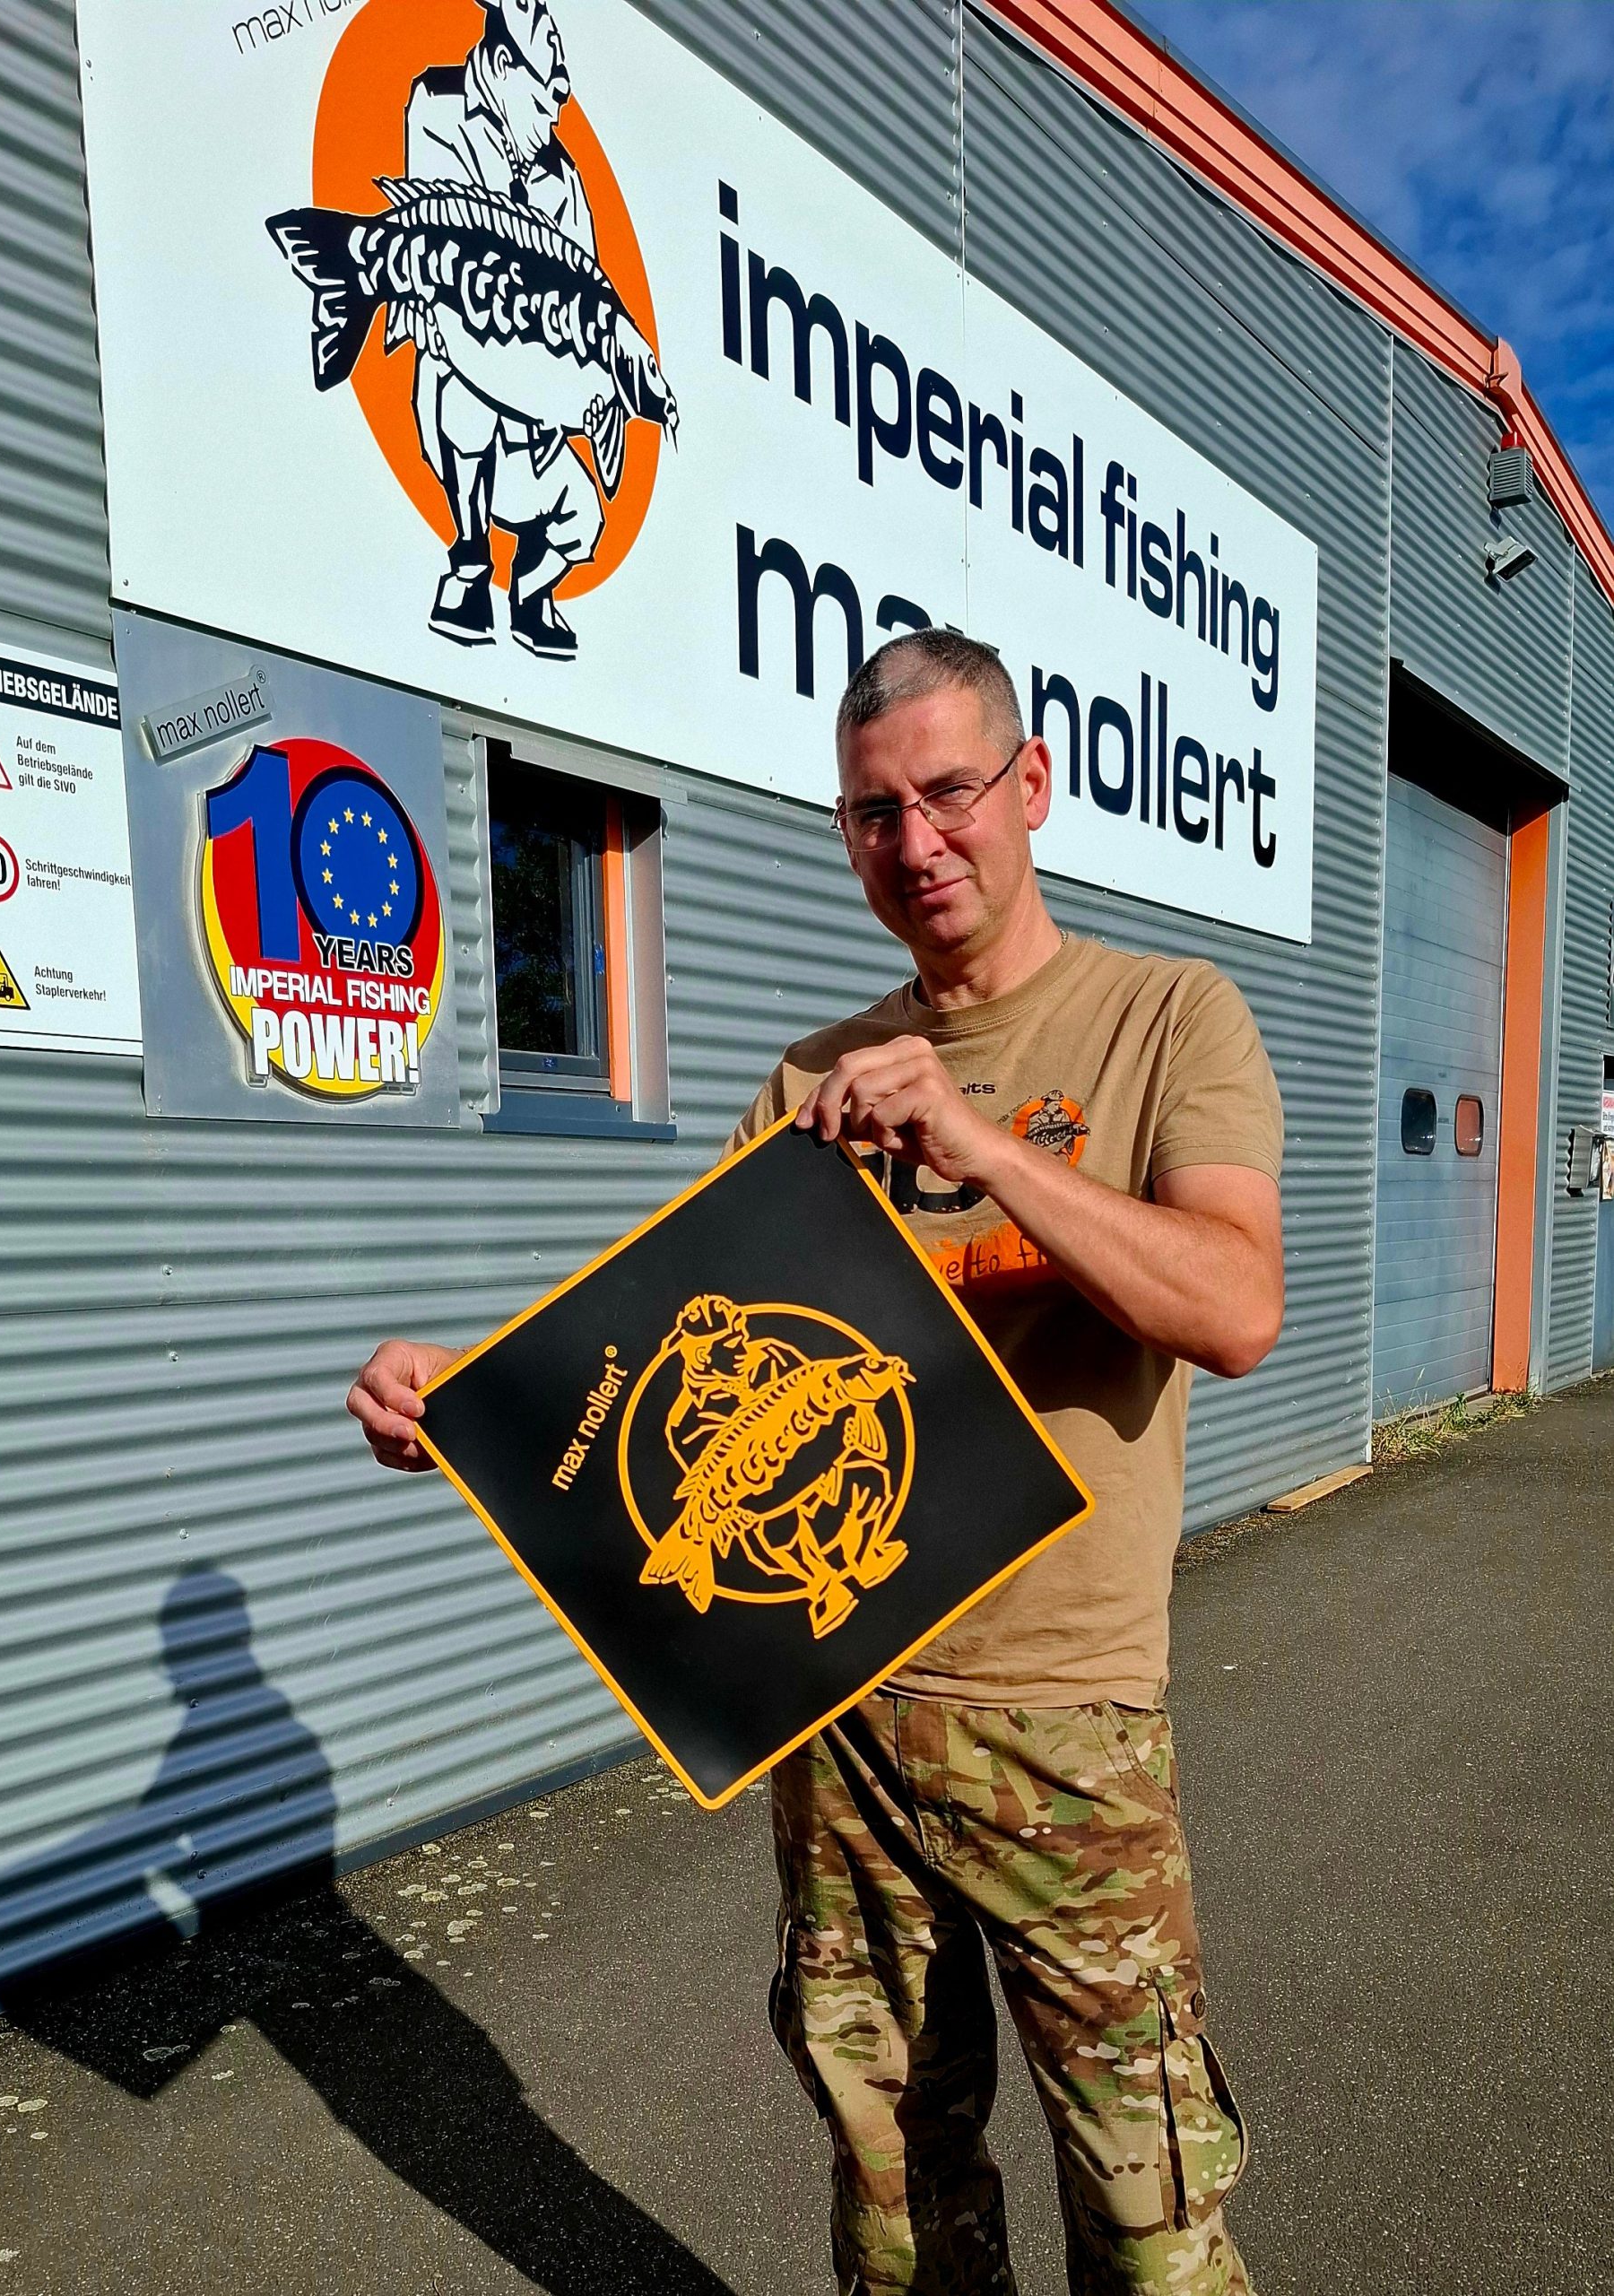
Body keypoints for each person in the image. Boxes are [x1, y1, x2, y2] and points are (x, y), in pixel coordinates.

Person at [347, 628, 1285, 2294]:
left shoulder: (1164, 1019)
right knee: (896, 2199)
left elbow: (1232, 1308)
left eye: (947, 792)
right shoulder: (806, 1081)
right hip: (834, 1713)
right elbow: (676, 1350)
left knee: (1147, 2219)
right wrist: (472, 1409)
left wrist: (981, 1146)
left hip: (1065, 1721)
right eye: (870, 812)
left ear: (1030, 785)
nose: (914, 842)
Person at [404, 0, 604, 659]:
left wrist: (571, 406)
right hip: (457, 386)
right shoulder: (436, 109)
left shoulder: (563, 179)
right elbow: (435, 233)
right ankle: (468, 565)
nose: (551, 124)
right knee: (468, 400)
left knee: (587, 518)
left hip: (530, 422)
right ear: (498, 65)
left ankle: (530, 592)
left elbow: (586, 298)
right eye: (542, 104)